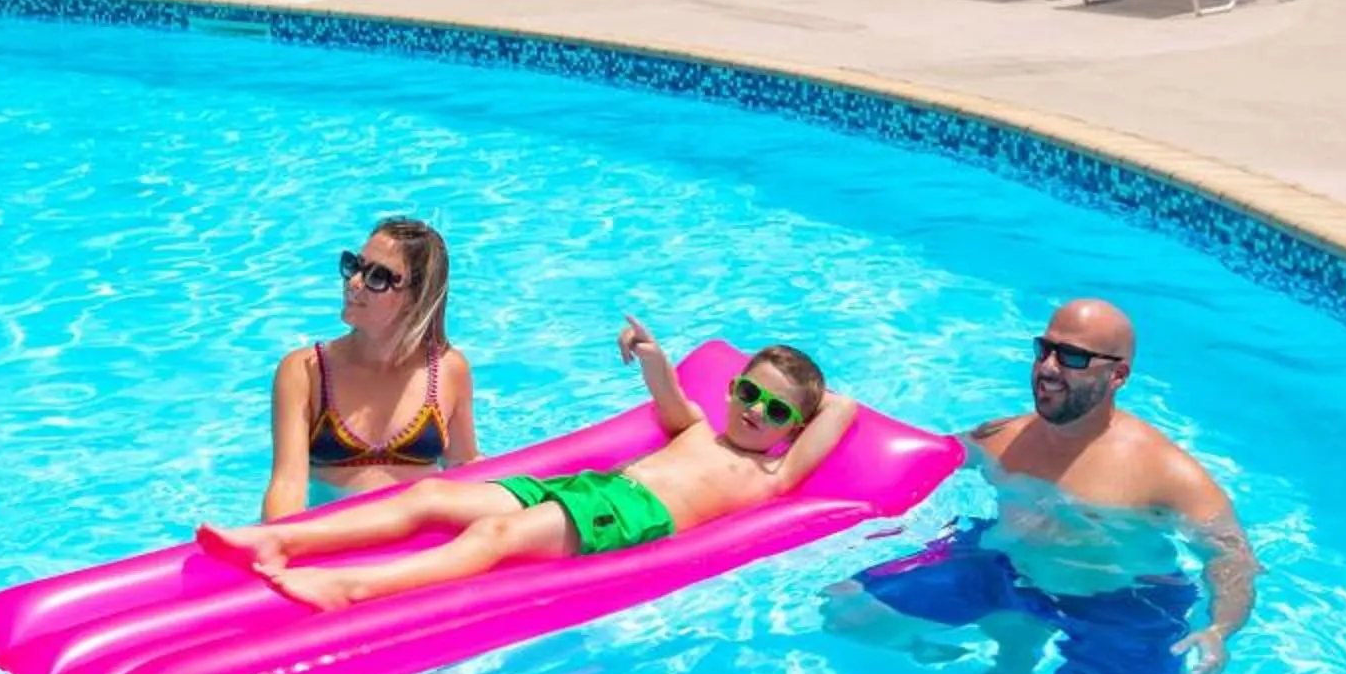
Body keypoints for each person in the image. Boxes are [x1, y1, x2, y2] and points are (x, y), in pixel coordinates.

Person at [199, 317, 855, 612]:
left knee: (492, 536)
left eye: (774, 411)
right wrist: (651, 355)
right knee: (428, 498)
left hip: (630, 516)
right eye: (749, 392)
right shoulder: (696, 428)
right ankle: (280, 539)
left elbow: (843, 409)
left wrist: (808, 398)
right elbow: (669, 392)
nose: (754, 412)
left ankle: (354, 588)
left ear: (792, 429)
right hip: (592, 490)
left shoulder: (773, 475)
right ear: (732, 388)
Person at [830, 296, 1256, 674]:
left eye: (1072, 357)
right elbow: (919, 457)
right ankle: (1008, 630)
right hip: (1006, 569)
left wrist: (1219, 628)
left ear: (1118, 376)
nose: (1048, 368)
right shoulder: (1005, 438)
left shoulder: (1166, 473)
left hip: (1116, 598)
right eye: (1044, 349)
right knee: (846, 610)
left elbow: (1232, 556)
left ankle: (1019, 638)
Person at [245, 218, 476, 524]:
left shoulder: (448, 369)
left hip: (423, 541)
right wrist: (281, 544)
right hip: (336, 540)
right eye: (354, 265)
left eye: (377, 277)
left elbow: (464, 467)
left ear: (415, 299)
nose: (354, 282)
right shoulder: (305, 372)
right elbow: (287, 485)